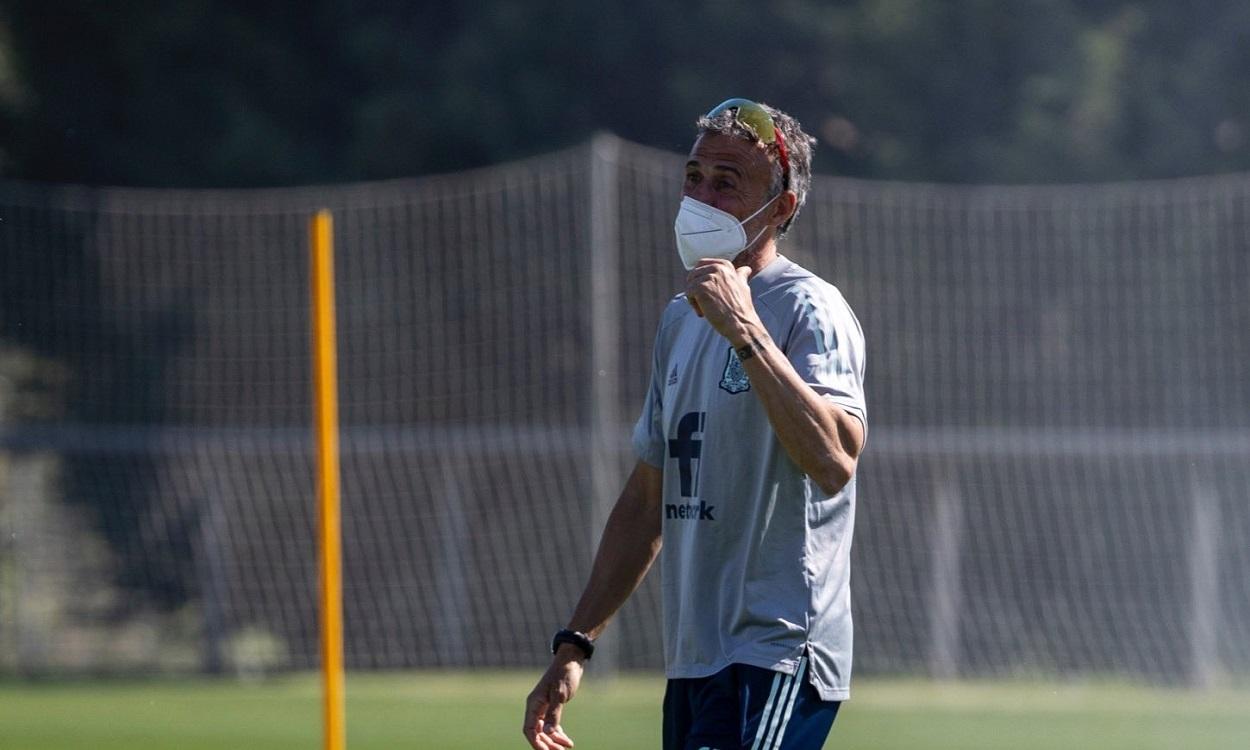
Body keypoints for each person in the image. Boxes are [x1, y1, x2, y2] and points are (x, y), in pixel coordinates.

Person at [523, 98, 867, 750]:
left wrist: (745, 330)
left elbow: (834, 462)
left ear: (783, 207)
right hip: (695, 658)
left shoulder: (809, 309)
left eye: (727, 182)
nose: (702, 196)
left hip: (778, 652)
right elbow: (648, 499)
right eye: (694, 176)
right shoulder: (681, 318)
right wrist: (576, 643)